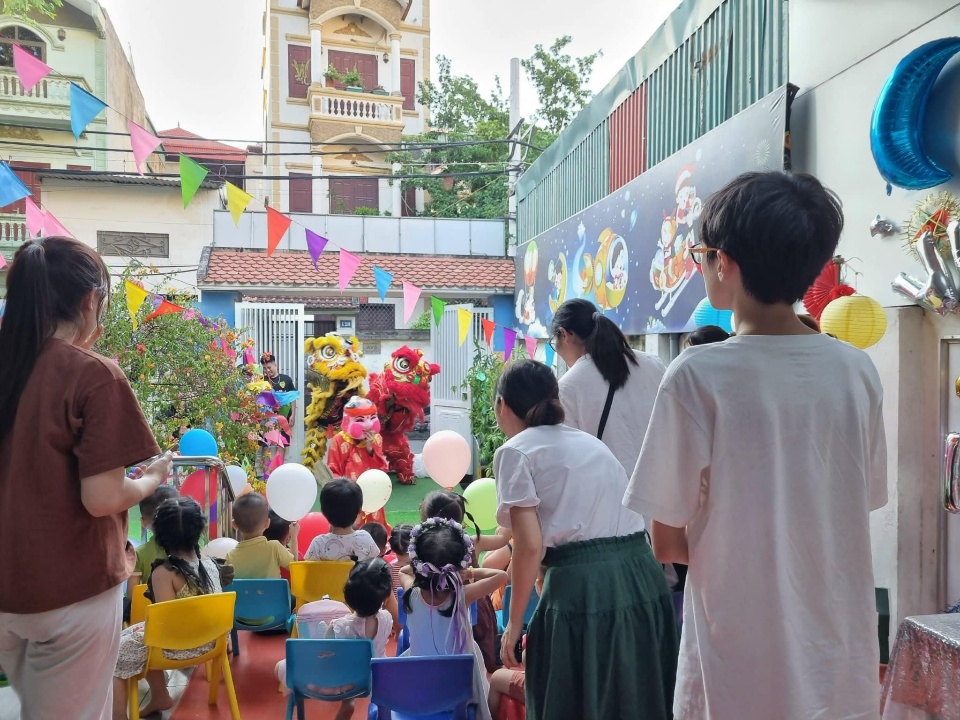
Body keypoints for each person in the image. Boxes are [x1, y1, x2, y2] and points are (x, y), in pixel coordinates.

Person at [626, 171, 887, 720]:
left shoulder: (697, 375)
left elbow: (665, 542)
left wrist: (740, 549)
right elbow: (854, 504)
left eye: (700, 255)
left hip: (736, 658)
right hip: (837, 659)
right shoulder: (856, 370)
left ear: (724, 262)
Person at [0, 236, 173, 720]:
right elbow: (102, 498)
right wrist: (152, 478)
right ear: (90, 299)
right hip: (71, 589)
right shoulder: (93, 375)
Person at [494, 359, 678, 720]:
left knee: (575, 700)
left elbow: (529, 547)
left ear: (502, 405)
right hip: (643, 577)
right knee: (640, 697)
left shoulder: (515, 451)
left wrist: (514, 626)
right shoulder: (589, 443)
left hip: (585, 588)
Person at [112, 497, 223, 719]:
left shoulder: (164, 573)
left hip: (179, 646)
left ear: (160, 535)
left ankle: (118, 716)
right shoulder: (210, 565)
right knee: (136, 635)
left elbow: (165, 626)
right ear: (198, 531)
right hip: (211, 642)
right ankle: (160, 696)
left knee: (113, 654)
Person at [399, 518, 508, 720]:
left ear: (418, 562)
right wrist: (467, 573)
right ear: (460, 563)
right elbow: (500, 576)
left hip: (421, 688)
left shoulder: (411, 593)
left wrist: (424, 571)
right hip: (460, 691)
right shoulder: (462, 596)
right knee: (472, 656)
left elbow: (403, 571)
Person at [550, 298, 665, 477]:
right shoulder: (653, 364)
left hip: (610, 490)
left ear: (564, 335)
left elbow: (569, 460)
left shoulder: (568, 387)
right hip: (661, 485)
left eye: (553, 343)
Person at [276, 558, 394, 720]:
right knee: (358, 664)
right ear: (385, 598)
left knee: (282, 666)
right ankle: (348, 702)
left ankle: (348, 701)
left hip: (340, 681)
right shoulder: (387, 619)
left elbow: (325, 659)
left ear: (348, 596)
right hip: (371, 679)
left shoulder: (338, 626)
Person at [125, 484, 179, 619]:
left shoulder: (139, 554)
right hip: (190, 623)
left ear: (144, 521)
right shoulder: (191, 551)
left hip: (152, 622)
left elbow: (133, 596)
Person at [225, 493, 299, 579]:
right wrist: (294, 536)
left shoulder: (230, 557)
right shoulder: (274, 547)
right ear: (267, 523)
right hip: (272, 589)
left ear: (234, 525)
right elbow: (295, 566)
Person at [305, 479, 380, 561]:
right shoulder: (365, 538)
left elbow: (308, 565)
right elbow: (375, 561)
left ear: (323, 511)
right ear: (359, 510)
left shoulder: (318, 543)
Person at [261, 350, 298, 460]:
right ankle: (266, 470)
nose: (267, 370)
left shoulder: (286, 379)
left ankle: (277, 469)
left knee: (281, 444)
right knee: (266, 445)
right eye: (265, 368)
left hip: (284, 418)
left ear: (275, 365)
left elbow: (293, 397)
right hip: (267, 418)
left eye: (269, 367)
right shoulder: (262, 380)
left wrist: (293, 415)